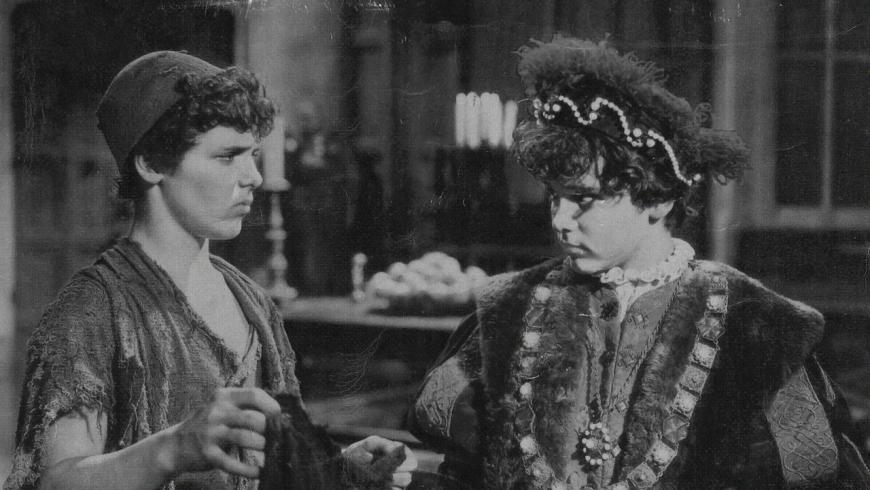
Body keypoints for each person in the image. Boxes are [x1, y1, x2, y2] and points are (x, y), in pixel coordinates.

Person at [408, 37, 870, 489]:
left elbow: (825, 475)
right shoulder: (510, 307)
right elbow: (458, 469)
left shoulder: (759, 324)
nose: (561, 220)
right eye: (554, 197)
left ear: (658, 198)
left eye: (584, 199)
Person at [4, 51, 416, 490]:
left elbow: (268, 465)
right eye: (228, 156)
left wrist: (341, 468)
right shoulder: (92, 311)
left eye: (253, 155)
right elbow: (54, 483)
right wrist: (174, 447)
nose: (253, 177)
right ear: (151, 163)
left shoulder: (251, 300)